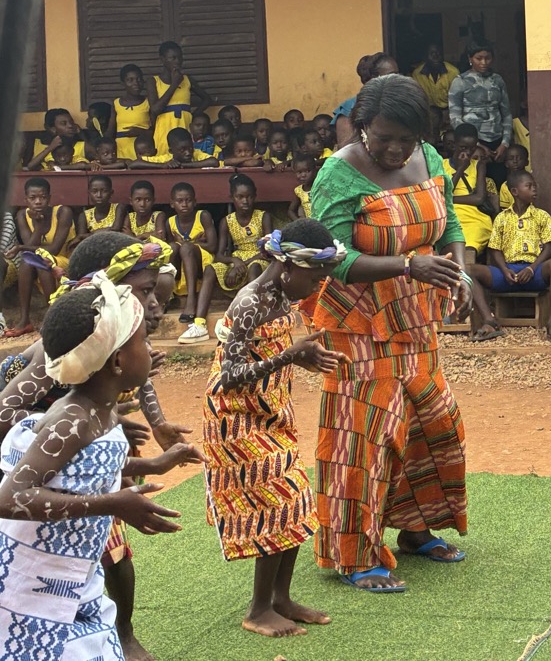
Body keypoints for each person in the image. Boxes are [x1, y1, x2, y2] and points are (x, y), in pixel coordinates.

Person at [309, 74, 471, 592]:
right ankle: (355, 554)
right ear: (361, 128)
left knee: (431, 423)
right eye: (384, 138)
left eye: (406, 138)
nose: (396, 150)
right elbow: (333, 259)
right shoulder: (338, 174)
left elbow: (450, 226)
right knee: (366, 437)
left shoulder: (429, 157)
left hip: (417, 319)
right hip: (358, 327)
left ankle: (415, 527)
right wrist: (407, 265)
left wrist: (459, 272)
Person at [2, 230, 193, 661]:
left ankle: (116, 634)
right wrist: (65, 433)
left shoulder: (112, 354)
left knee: (106, 559)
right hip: (47, 475)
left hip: (81, 462)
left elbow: (137, 377)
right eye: (146, 291)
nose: (155, 305)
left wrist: (150, 431)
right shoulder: (66, 356)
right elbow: (5, 417)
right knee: (100, 559)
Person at [203, 221, 346, 638]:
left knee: (297, 500)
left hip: (270, 411)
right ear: (287, 267)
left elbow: (269, 352)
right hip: (234, 417)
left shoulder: (282, 295)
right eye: (315, 277)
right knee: (279, 500)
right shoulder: (249, 302)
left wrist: (302, 357)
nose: (319, 284)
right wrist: (288, 356)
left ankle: (281, 599)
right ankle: (258, 609)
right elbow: (228, 376)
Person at [467, 170, 551, 341]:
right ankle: (489, 321)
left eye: (535, 186)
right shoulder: (502, 218)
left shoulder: (542, 216)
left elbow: (549, 248)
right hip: (508, 273)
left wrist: (531, 268)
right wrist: (505, 270)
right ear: (515, 191)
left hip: (534, 272)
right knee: (468, 270)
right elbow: (495, 249)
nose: (534, 189)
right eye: (529, 186)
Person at [5, 177, 73, 338]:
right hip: (39, 262)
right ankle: (24, 320)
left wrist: (21, 247)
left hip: (63, 261)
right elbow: (31, 246)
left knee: (40, 260)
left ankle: (52, 316)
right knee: (28, 261)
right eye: (33, 198)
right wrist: (39, 226)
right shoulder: (22, 215)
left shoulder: (63, 212)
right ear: (26, 200)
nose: (38, 202)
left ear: (49, 198)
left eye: (42, 197)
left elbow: (55, 248)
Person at [167, 182, 217, 341]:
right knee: (173, 247)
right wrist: (186, 244)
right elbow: (171, 251)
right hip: (183, 266)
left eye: (188, 200)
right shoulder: (170, 222)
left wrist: (190, 244)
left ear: (195, 202)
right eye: (180, 201)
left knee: (186, 248)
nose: (184, 204)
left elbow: (213, 246)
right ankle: (169, 295)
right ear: (172, 204)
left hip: (203, 262)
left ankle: (191, 301)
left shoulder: (203, 216)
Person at [448, 40, 512, 160]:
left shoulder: (497, 80)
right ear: (470, 58)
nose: (484, 62)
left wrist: (505, 143)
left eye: (488, 58)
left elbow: (507, 114)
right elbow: (455, 118)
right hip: (472, 144)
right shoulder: (460, 81)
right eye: (479, 58)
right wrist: (475, 145)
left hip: (498, 140)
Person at [445, 123, 497, 262]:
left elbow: (479, 198)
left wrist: (449, 199)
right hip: (450, 216)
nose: (468, 152)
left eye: (472, 148)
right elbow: (441, 195)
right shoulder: (442, 165)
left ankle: (467, 270)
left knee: (472, 240)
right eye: (463, 147)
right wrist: (460, 169)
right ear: (454, 144)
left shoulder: (479, 165)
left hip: (475, 217)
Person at [147, 41, 212, 150]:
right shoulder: (153, 81)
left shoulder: (187, 80)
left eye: (180, 57)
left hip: (185, 125)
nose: (177, 61)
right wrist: (174, 84)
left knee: (186, 153)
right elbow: (155, 109)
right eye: (173, 58)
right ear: (162, 60)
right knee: (166, 155)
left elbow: (207, 99)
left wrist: (192, 115)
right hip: (164, 128)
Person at [410, 43, 460, 133]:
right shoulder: (417, 74)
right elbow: (416, 99)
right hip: (429, 114)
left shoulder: (453, 72)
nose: (436, 56)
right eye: (432, 54)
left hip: (449, 112)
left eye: (438, 53)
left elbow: (457, 99)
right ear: (425, 57)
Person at [108, 64, 152, 162]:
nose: (136, 83)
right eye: (130, 80)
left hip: (142, 149)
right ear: (122, 83)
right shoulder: (116, 103)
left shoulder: (148, 103)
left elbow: (156, 130)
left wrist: (141, 132)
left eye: (139, 79)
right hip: (121, 150)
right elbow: (111, 131)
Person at [74, 175, 126, 249]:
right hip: (93, 249)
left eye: (104, 191)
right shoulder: (85, 215)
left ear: (111, 193)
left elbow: (116, 230)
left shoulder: (118, 208)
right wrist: (107, 230)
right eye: (94, 191)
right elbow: (82, 239)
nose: (99, 195)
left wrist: (92, 233)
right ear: (89, 193)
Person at [290, 154, 318, 220]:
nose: (303, 175)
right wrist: (300, 222)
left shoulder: (320, 187)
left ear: (315, 171)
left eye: (307, 171)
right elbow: (291, 210)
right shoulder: (299, 191)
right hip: (309, 224)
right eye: (299, 172)